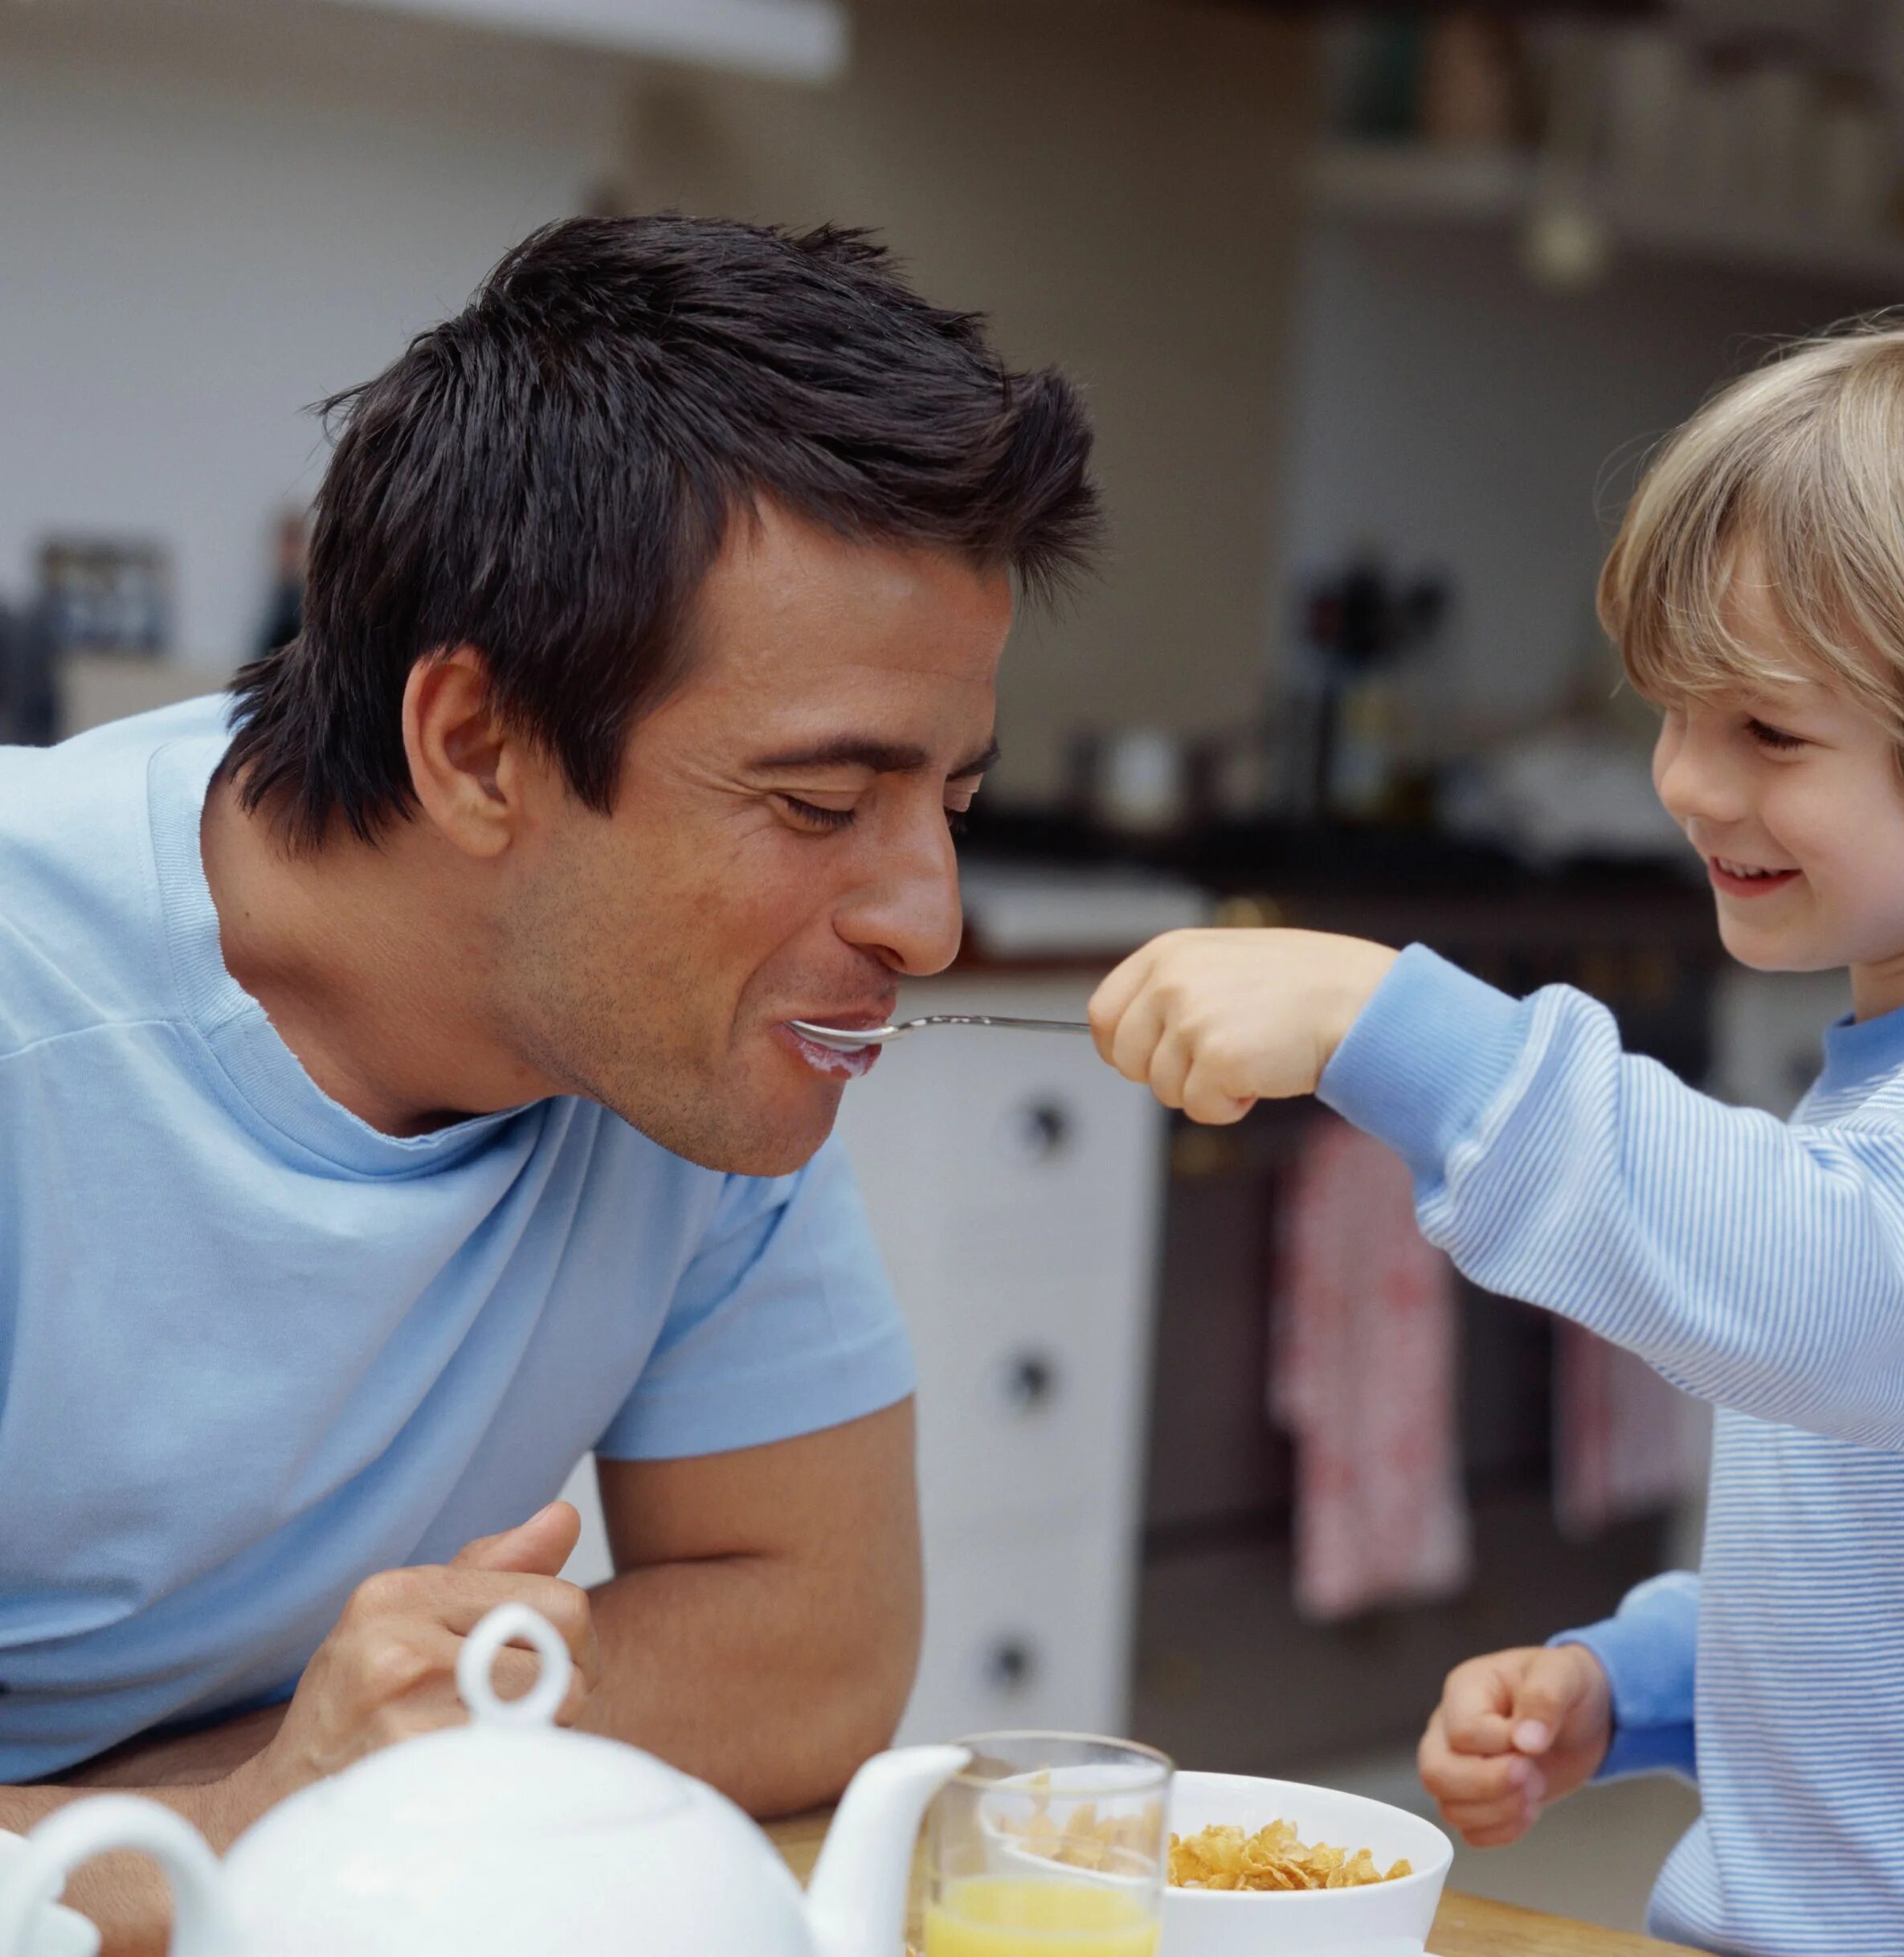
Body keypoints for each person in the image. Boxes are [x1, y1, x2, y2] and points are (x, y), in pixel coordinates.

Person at [1089, 315, 1904, 1955]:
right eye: (1673, 713)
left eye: (1767, 733)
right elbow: (1903, 1558)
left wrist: (1382, 1022)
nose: (1684, 780)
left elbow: (1809, 1282)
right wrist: (1647, 1680)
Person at [0, 213, 1095, 1951]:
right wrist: (246, 1819)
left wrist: (358, 1771)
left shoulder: (693, 1042)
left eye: (948, 802)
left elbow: (819, 1650)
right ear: (474, 746)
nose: (928, 924)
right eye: (820, 806)